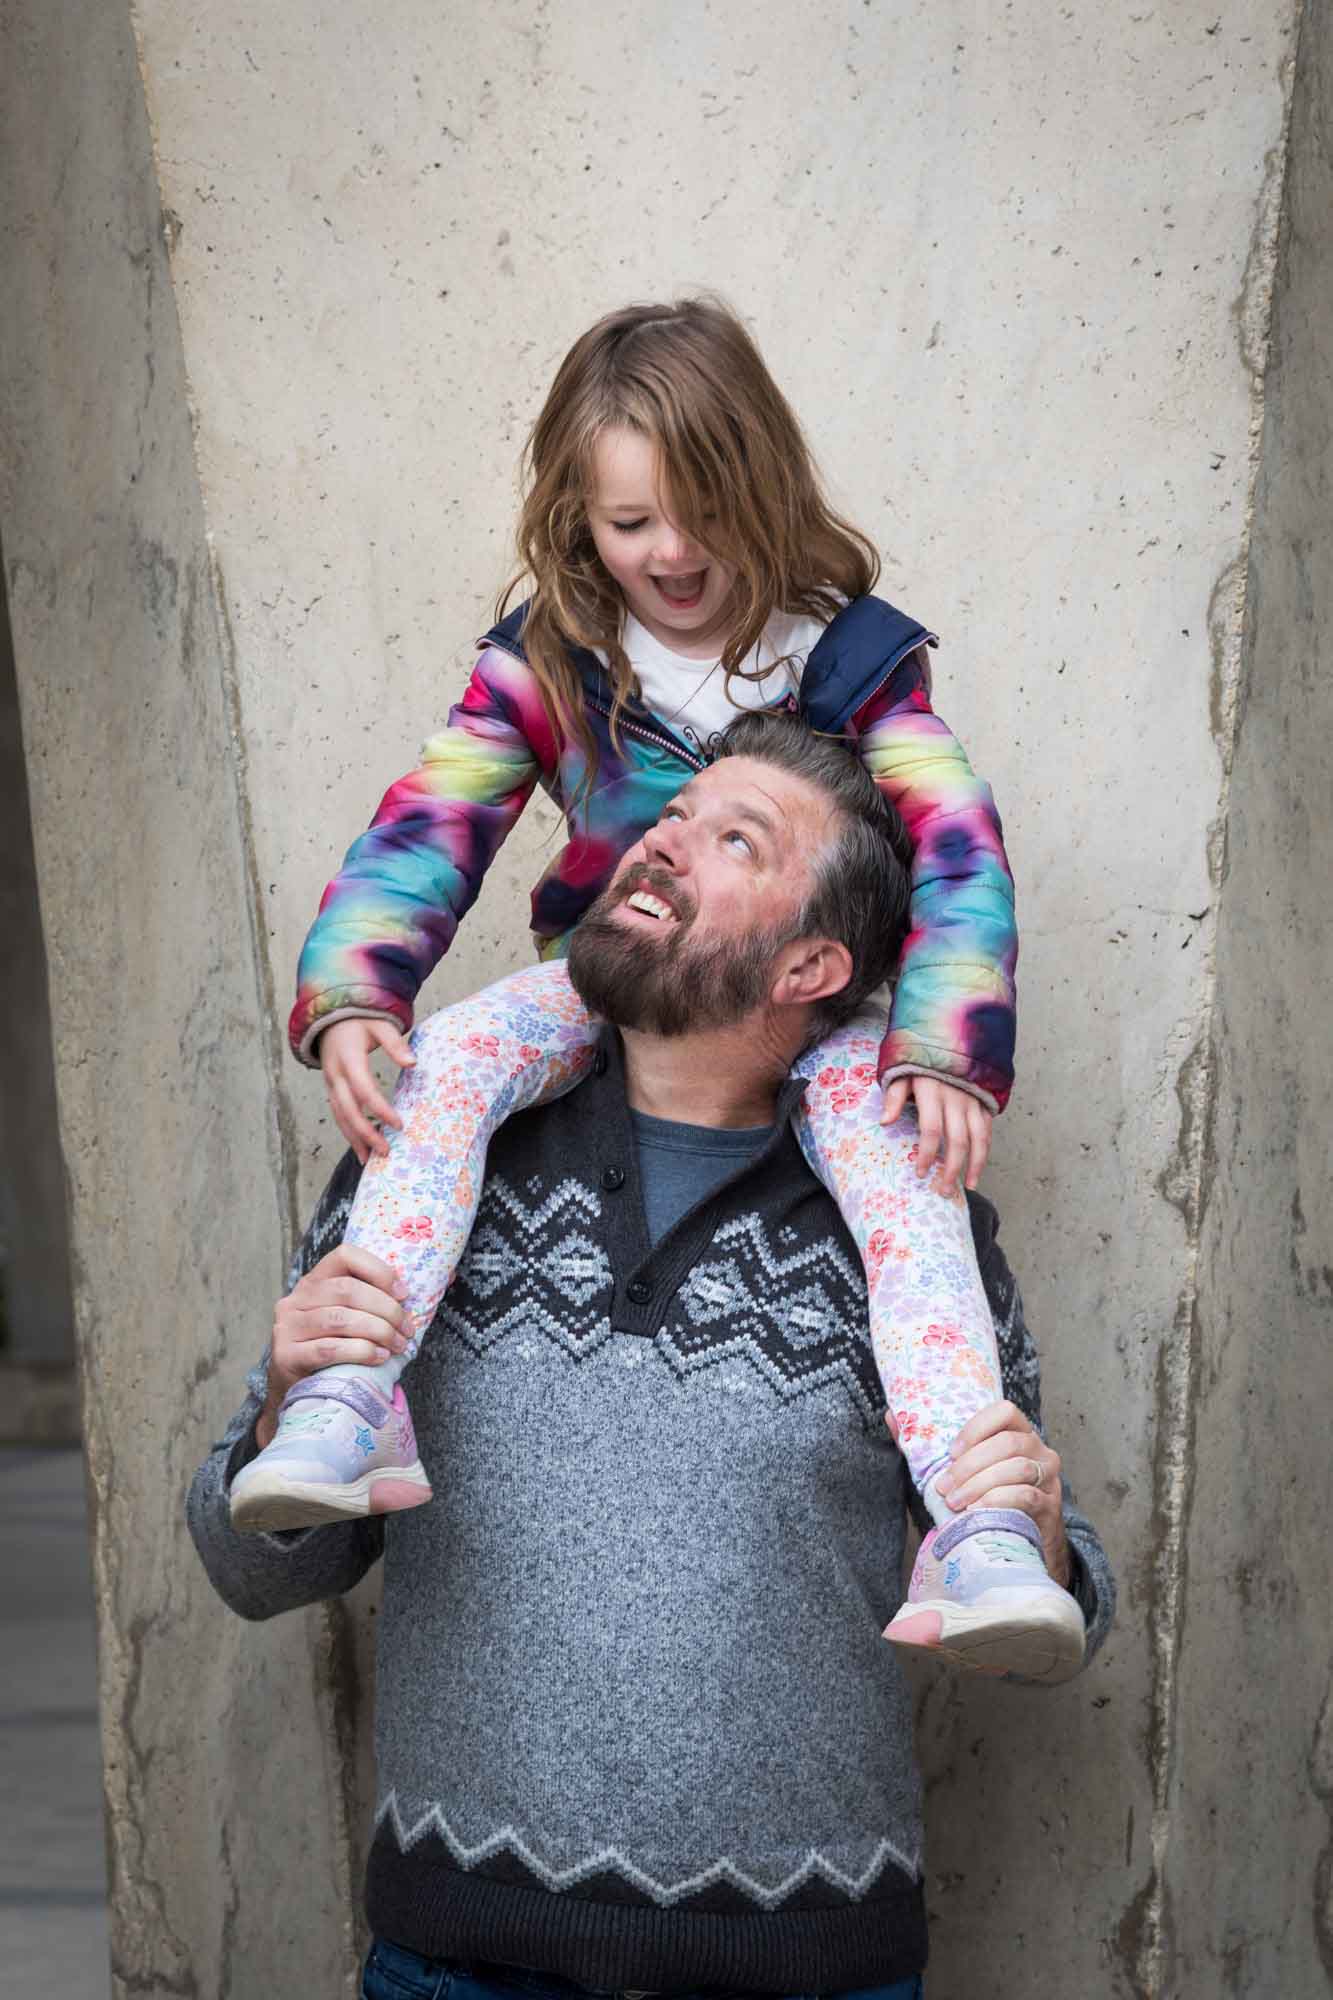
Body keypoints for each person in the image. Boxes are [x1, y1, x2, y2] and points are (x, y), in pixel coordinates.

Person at [190, 715, 1115, 1999]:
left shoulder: (913, 1228)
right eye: (673, 819)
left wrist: (1050, 1534)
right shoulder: (429, 1163)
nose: (668, 845)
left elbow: (1054, 1606)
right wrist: (285, 1398)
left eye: (737, 838)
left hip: (809, 1963)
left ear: (810, 965)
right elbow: (249, 1568)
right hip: (458, 1958)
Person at [239, 299, 1030, 1603]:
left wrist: (944, 1041)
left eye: (703, 511)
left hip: (791, 1005)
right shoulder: (552, 656)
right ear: (577, 520)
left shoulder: (848, 656)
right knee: (442, 1068)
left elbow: (952, 832)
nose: (672, 551)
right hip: (601, 981)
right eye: (629, 522)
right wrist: (356, 990)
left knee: (904, 1174)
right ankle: (345, 1395)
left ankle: (978, 1525)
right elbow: (432, 820)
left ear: (761, 489)